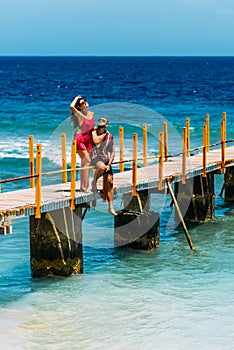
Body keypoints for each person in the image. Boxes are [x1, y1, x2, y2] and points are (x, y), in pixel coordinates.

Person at [90, 117, 117, 216]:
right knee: (102, 167)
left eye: (103, 121)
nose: (101, 121)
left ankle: (111, 207)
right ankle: (94, 182)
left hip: (105, 159)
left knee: (110, 181)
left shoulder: (109, 136)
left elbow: (112, 151)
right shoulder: (91, 132)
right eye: (100, 120)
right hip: (93, 158)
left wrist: (109, 164)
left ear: (106, 125)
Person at [70, 95, 94, 193]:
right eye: (82, 103)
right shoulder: (79, 115)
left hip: (87, 140)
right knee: (87, 161)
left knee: (85, 163)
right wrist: (76, 98)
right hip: (80, 139)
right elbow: (71, 106)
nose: (85, 104)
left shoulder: (92, 114)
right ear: (79, 107)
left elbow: (92, 127)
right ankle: (85, 187)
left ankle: (83, 187)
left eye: (85, 102)